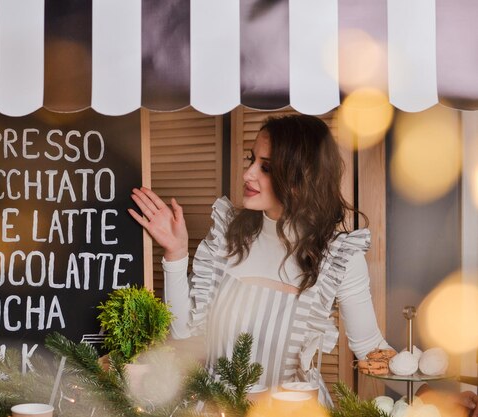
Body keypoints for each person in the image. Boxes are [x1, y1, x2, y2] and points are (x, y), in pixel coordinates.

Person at [129, 114, 388, 406]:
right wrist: (175, 253)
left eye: (265, 167)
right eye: (251, 160)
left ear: (299, 178)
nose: (247, 174)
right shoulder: (227, 236)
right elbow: (183, 331)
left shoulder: (338, 256)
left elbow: (371, 349)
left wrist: (427, 385)